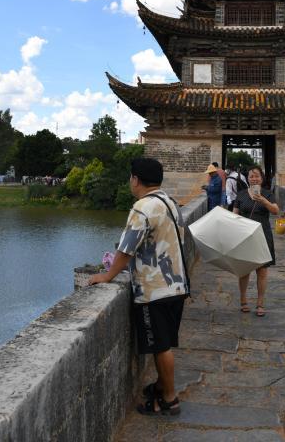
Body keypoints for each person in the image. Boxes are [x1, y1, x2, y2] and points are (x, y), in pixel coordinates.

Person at [89, 157, 188, 416]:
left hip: (155, 289)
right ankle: (160, 386)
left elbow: (126, 249)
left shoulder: (142, 207)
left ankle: (169, 398)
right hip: (177, 284)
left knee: (160, 346)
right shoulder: (171, 203)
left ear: (135, 179)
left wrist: (107, 276)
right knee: (163, 343)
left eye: (131, 177)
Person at [232, 166, 280, 317]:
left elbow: (275, 210)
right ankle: (243, 300)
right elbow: (235, 215)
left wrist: (263, 200)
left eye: (257, 176)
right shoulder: (240, 195)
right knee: (244, 270)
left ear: (262, 178)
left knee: (262, 271)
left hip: (262, 235)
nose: (254, 179)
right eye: (251, 176)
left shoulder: (268, 194)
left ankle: (260, 303)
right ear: (248, 178)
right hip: (244, 236)